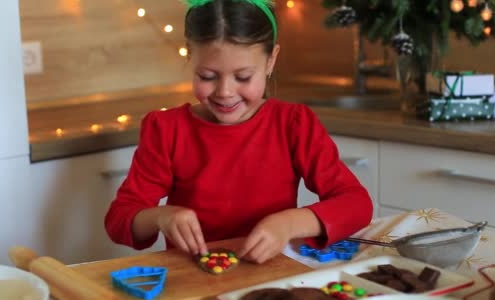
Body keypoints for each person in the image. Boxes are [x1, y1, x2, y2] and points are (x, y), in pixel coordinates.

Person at [105, 0, 372, 264]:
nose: (225, 92)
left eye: (243, 77)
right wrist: (160, 217)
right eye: (208, 76)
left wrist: (289, 224)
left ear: (271, 61)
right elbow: (119, 219)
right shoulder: (166, 129)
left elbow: (357, 204)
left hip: (270, 277)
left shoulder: (293, 124)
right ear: (189, 54)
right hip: (192, 280)